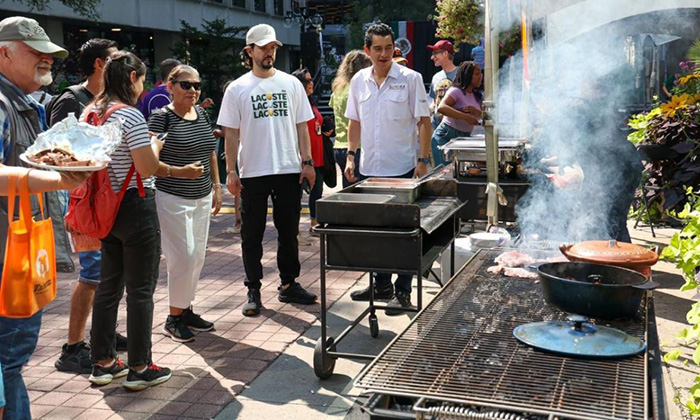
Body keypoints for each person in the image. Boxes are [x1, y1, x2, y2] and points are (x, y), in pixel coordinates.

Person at [0, 16, 73, 420]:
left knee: (8, 364)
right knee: (7, 363)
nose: (46, 58)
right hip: (8, 259)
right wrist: (53, 178)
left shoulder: (21, 103)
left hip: (20, 254)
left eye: (49, 53)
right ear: (4, 52)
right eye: (35, 51)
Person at [217, 24, 318, 317]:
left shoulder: (291, 84)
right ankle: (253, 288)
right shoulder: (237, 88)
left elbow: (303, 126)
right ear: (249, 51)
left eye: (273, 47)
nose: (270, 53)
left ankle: (288, 284)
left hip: (288, 167)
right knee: (252, 234)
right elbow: (231, 133)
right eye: (264, 48)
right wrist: (231, 171)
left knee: (289, 231)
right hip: (253, 171)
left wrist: (308, 162)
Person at [87, 50, 171, 391]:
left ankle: (103, 362)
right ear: (133, 78)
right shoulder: (132, 118)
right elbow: (146, 168)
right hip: (136, 207)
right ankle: (140, 366)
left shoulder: (91, 112)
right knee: (140, 291)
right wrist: (154, 144)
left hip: (105, 207)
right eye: (142, 79)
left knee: (108, 286)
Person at [46, 38, 126, 375]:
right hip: (85, 203)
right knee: (92, 275)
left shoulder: (108, 100)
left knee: (110, 274)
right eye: (114, 59)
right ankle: (73, 347)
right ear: (99, 64)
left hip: (107, 202)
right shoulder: (71, 100)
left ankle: (100, 333)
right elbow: (57, 154)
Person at [344, 23, 431, 315]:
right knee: (375, 234)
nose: (384, 54)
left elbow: (424, 122)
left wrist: (423, 158)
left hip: (404, 169)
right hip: (370, 169)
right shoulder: (358, 80)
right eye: (377, 48)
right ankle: (381, 284)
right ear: (367, 50)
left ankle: (403, 291)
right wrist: (351, 156)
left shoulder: (411, 79)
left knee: (404, 234)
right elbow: (354, 122)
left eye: (388, 48)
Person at [147, 64, 222, 343]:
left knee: (198, 257)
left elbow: (210, 153)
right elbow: (149, 163)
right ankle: (173, 318)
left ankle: (186, 309)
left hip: (202, 195)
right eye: (185, 85)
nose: (192, 90)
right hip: (172, 197)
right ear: (171, 87)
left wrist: (216, 186)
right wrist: (181, 172)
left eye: (197, 85)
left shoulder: (200, 113)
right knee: (184, 256)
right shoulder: (160, 119)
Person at [330, 50, 371, 188]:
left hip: (339, 145)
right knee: (362, 192)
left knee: (348, 188)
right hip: (356, 147)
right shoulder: (358, 88)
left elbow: (333, 108)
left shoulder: (338, 88)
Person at [292, 68, 324, 235]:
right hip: (301, 158)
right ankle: (294, 232)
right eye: (307, 81)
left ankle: (314, 223)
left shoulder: (311, 102)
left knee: (317, 192)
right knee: (296, 197)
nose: (311, 83)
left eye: (311, 80)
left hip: (317, 157)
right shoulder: (295, 102)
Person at [432, 61, 483, 167]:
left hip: (464, 138)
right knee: (445, 174)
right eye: (477, 74)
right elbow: (442, 108)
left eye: (481, 73)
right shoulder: (455, 91)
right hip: (446, 136)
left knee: (460, 173)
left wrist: (475, 111)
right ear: (467, 75)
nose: (481, 77)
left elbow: (485, 116)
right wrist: (466, 117)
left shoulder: (476, 95)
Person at [427, 39, 458, 129]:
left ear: (445, 54)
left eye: (435, 53)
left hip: (456, 129)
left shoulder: (462, 74)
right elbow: (435, 103)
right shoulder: (436, 77)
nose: (432, 57)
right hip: (437, 128)